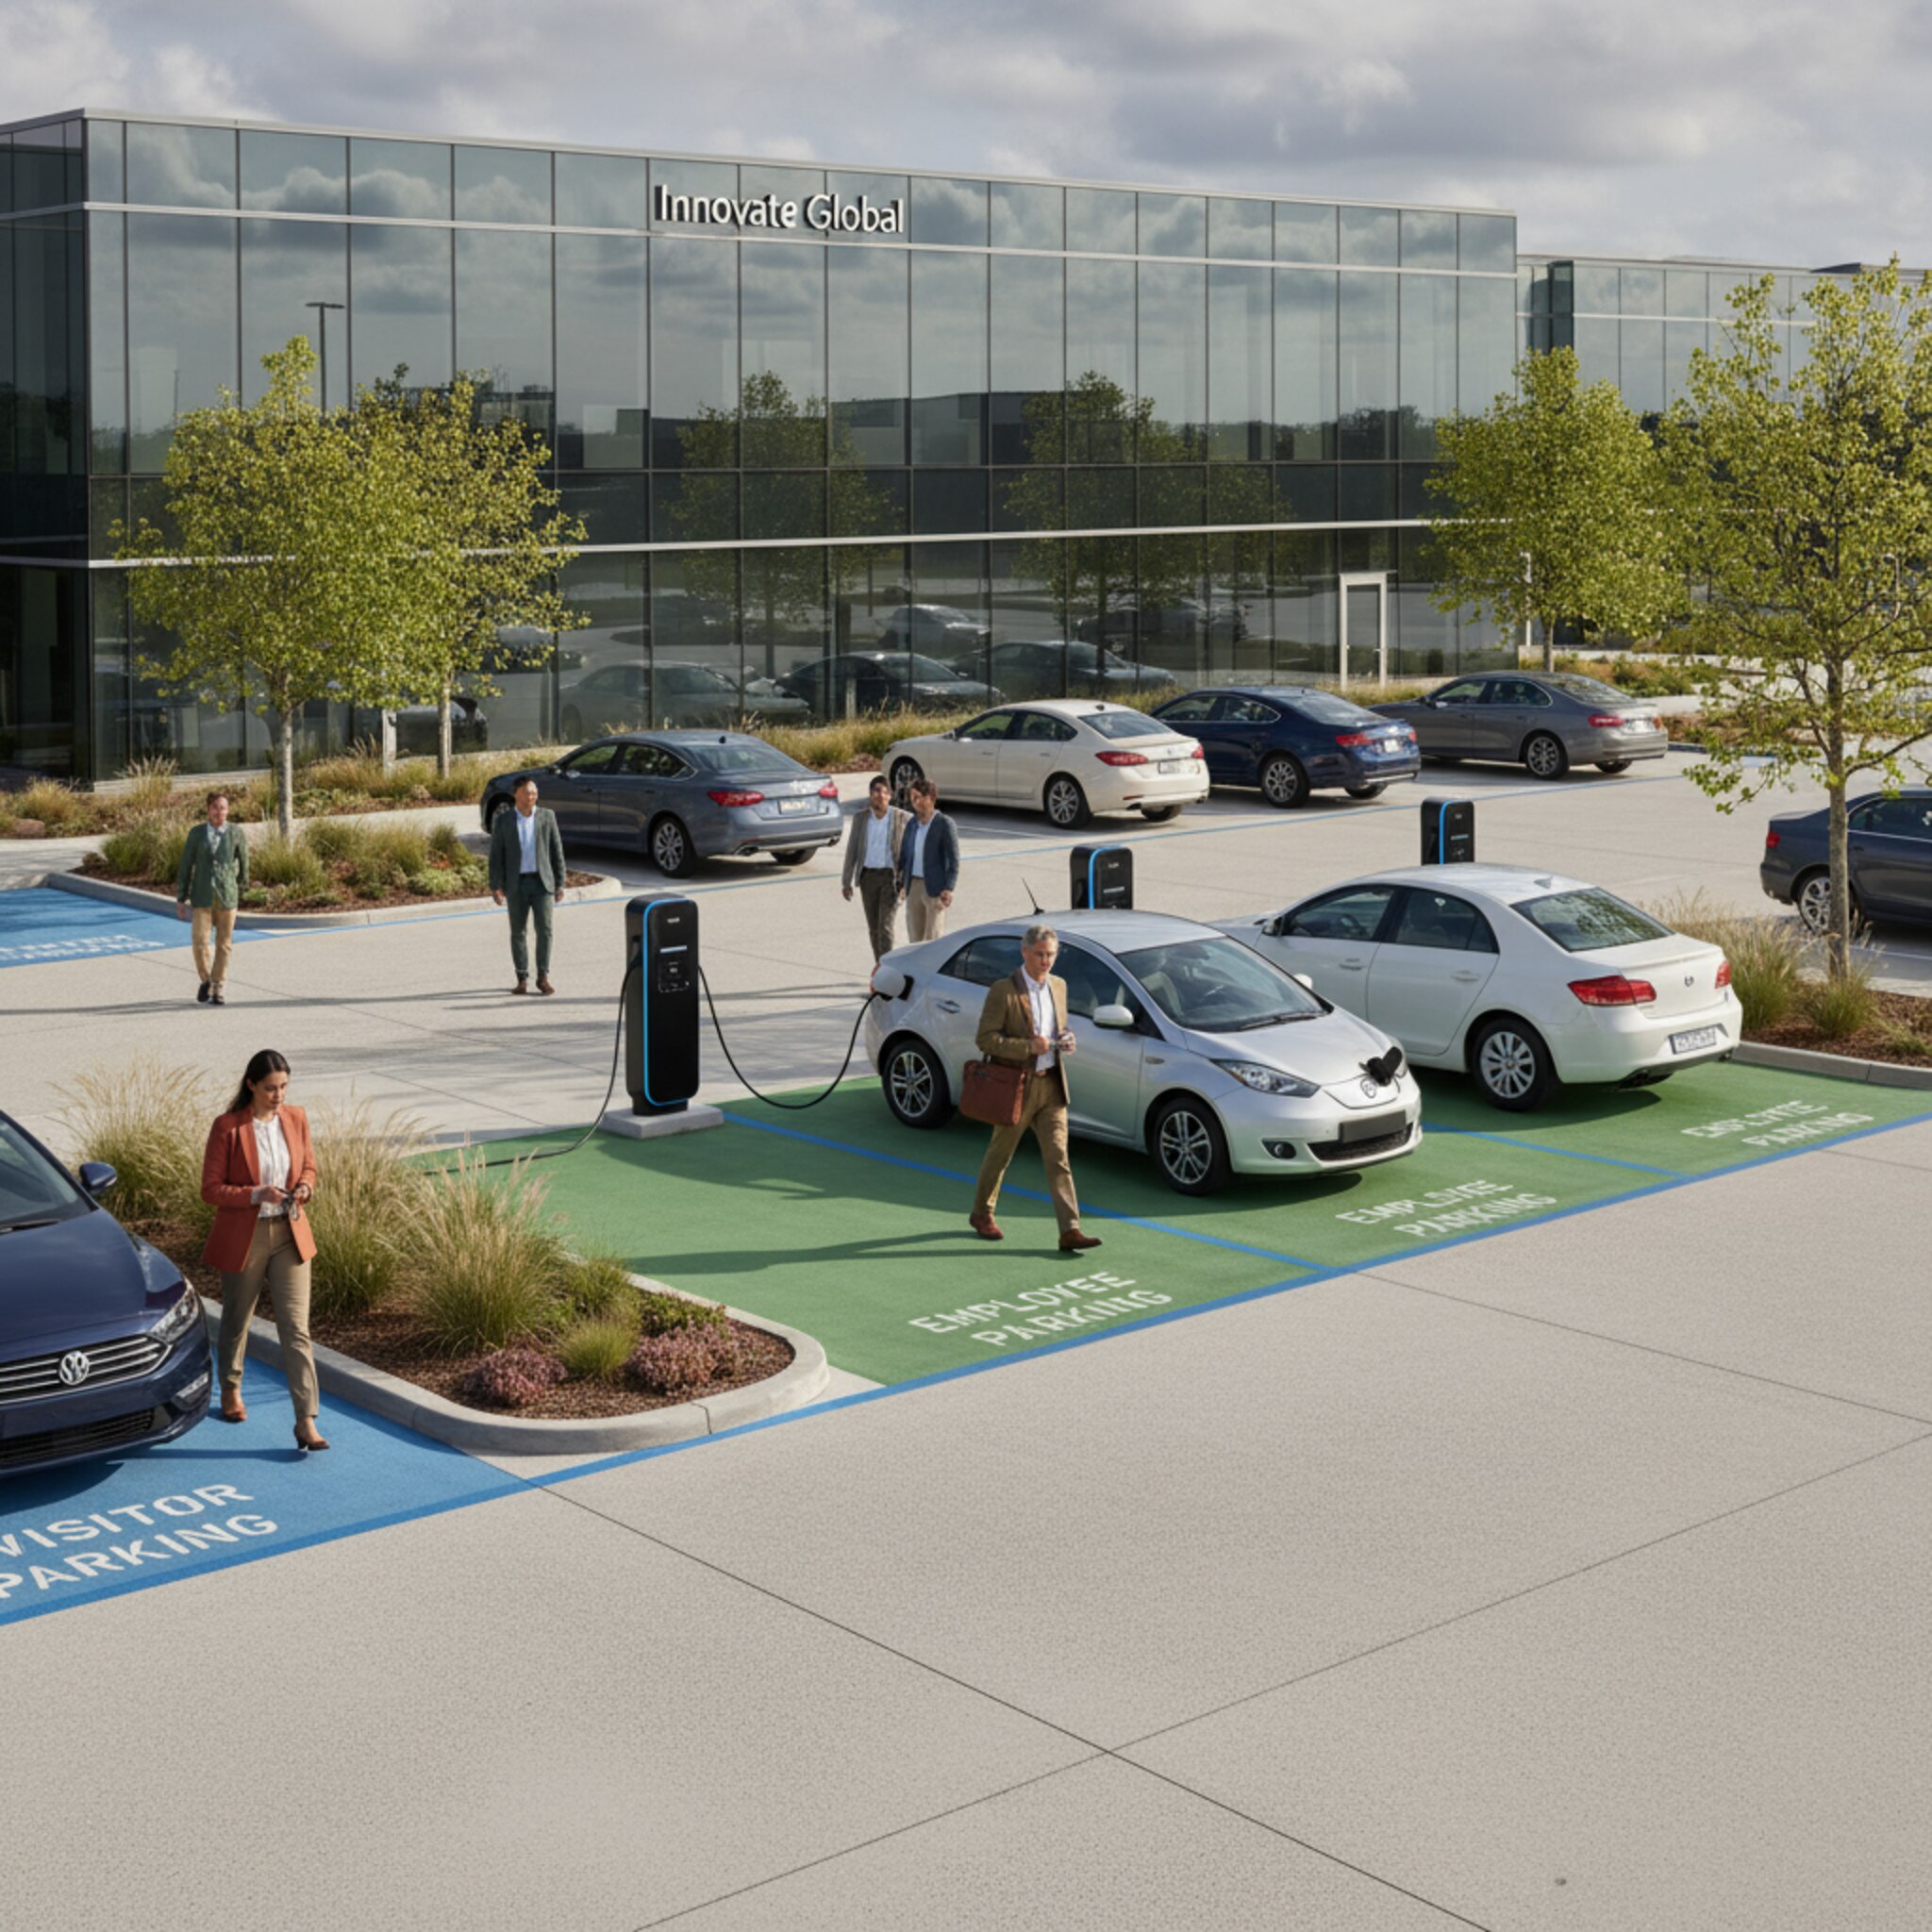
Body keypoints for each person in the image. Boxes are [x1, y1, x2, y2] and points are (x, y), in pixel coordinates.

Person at [202, 1049, 327, 1452]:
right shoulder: (228, 1127)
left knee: (296, 1328)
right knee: (238, 1318)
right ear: (252, 1085)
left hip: (290, 1232)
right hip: (247, 1235)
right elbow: (210, 1189)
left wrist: (305, 1186)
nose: (279, 1096)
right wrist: (256, 1194)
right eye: (271, 1088)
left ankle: (306, 1419)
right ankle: (230, 1386)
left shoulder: (296, 1118)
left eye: (284, 1087)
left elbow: (309, 1167)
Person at [969, 924, 1102, 1254]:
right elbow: (985, 1039)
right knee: (1001, 1154)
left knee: (1059, 1159)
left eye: (1051, 955)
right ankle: (982, 1213)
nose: (1046, 961)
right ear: (1024, 952)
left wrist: (1066, 1040)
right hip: (1017, 1087)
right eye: (1040, 954)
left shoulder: (1059, 986)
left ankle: (1070, 1230)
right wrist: (1028, 1047)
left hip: (1052, 1085)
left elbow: (1058, 1029)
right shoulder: (1003, 991)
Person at [488, 775, 567, 994]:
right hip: (516, 884)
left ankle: (543, 977)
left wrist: (560, 882)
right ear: (516, 795)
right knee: (518, 932)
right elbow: (496, 856)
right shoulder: (503, 821)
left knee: (545, 930)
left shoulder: (547, 817)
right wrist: (496, 886)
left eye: (534, 792)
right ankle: (521, 977)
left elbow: (556, 850)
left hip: (542, 883)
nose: (532, 796)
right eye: (527, 793)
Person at [175, 790, 249, 1006]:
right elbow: (186, 865)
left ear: (228, 810)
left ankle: (218, 986)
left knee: (224, 945)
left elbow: (244, 863)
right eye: (215, 807)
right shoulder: (196, 834)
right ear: (208, 810)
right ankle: (206, 980)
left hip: (227, 897)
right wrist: (181, 898)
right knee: (199, 942)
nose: (219, 812)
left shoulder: (236, 832)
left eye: (223, 808)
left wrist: (239, 888)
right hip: (202, 896)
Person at [841, 774, 910, 960]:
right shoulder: (861, 819)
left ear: (890, 796)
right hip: (868, 878)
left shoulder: (901, 818)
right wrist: (846, 881)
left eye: (884, 792)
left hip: (890, 878)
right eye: (876, 791)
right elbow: (852, 850)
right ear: (870, 794)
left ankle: (886, 967)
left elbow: (911, 851)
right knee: (873, 928)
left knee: (885, 926)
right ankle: (879, 965)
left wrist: (906, 882)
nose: (880, 796)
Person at [895, 777, 959, 943]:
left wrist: (949, 888)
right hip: (913, 887)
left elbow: (953, 860)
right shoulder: (912, 824)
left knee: (933, 940)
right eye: (912, 798)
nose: (914, 802)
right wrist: (901, 881)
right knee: (915, 940)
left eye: (918, 797)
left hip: (935, 889)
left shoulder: (944, 824)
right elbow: (905, 855)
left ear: (930, 798)